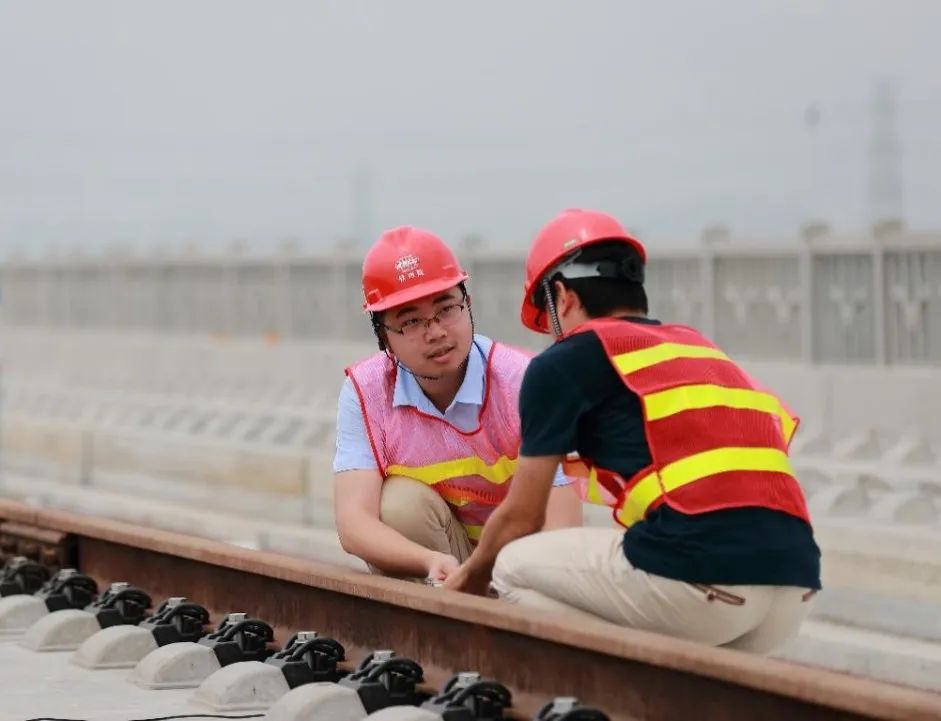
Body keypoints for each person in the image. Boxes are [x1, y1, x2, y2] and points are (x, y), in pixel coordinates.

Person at [444, 209, 821, 654]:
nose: (552, 336)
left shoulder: (565, 361)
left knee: (510, 566)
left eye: (548, 318)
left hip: (701, 584)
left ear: (561, 296)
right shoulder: (697, 347)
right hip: (792, 586)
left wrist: (468, 579)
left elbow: (522, 517)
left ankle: (605, 689)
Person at [333, 225, 582, 581]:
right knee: (398, 505)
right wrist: (428, 562)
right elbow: (353, 524)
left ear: (468, 304)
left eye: (447, 308)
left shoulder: (527, 381)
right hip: (445, 564)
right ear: (383, 336)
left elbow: (562, 528)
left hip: (523, 565)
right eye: (412, 321)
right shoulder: (365, 391)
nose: (436, 332)